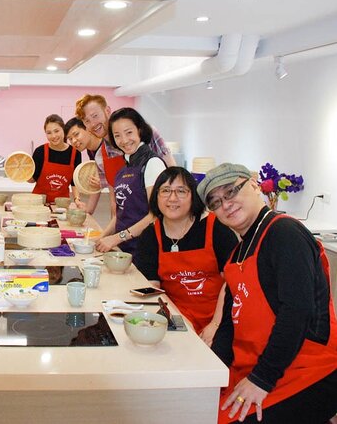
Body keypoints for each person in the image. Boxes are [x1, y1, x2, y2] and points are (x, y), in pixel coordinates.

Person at [197, 163, 337, 423]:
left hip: (309, 368)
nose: (225, 204)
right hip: (261, 364)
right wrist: (213, 374)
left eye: (231, 191)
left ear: (253, 184)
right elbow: (228, 325)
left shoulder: (284, 233)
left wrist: (261, 380)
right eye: (215, 202)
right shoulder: (238, 254)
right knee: (200, 410)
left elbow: (297, 312)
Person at [133, 167, 238, 344]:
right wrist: (179, 321)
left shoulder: (216, 228)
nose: (172, 198)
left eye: (181, 191)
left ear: (193, 196)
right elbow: (152, 289)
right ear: (156, 196)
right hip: (174, 317)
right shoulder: (150, 236)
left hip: (221, 319)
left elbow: (232, 283)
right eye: (165, 191)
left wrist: (215, 325)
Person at [95, 107, 167, 255]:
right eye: (117, 135)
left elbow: (155, 215)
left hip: (145, 250)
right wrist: (101, 238)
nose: (124, 140)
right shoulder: (123, 169)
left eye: (129, 132)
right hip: (124, 249)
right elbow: (120, 215)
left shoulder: (152, 164)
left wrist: (116, 238)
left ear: (139, 130)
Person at [29, 114, 82, 203]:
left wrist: (77, 199)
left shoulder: (75, 153)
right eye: (49, 133)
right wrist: (23, 173)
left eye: (56, 131)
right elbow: (32, 179)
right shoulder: (40, 152)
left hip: (62, 204)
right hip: (38, 203)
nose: (53, 136)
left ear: (63, 130)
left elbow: (74, 182)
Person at [65, 117, 106, 214]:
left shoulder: (108, 148)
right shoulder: (90, 150)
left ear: (88, 129)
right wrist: (88, 211)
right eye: (70, 139)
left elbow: (120, 180)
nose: (74, 141)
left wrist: (105, 182)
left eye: (76, 134)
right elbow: (95, 182)